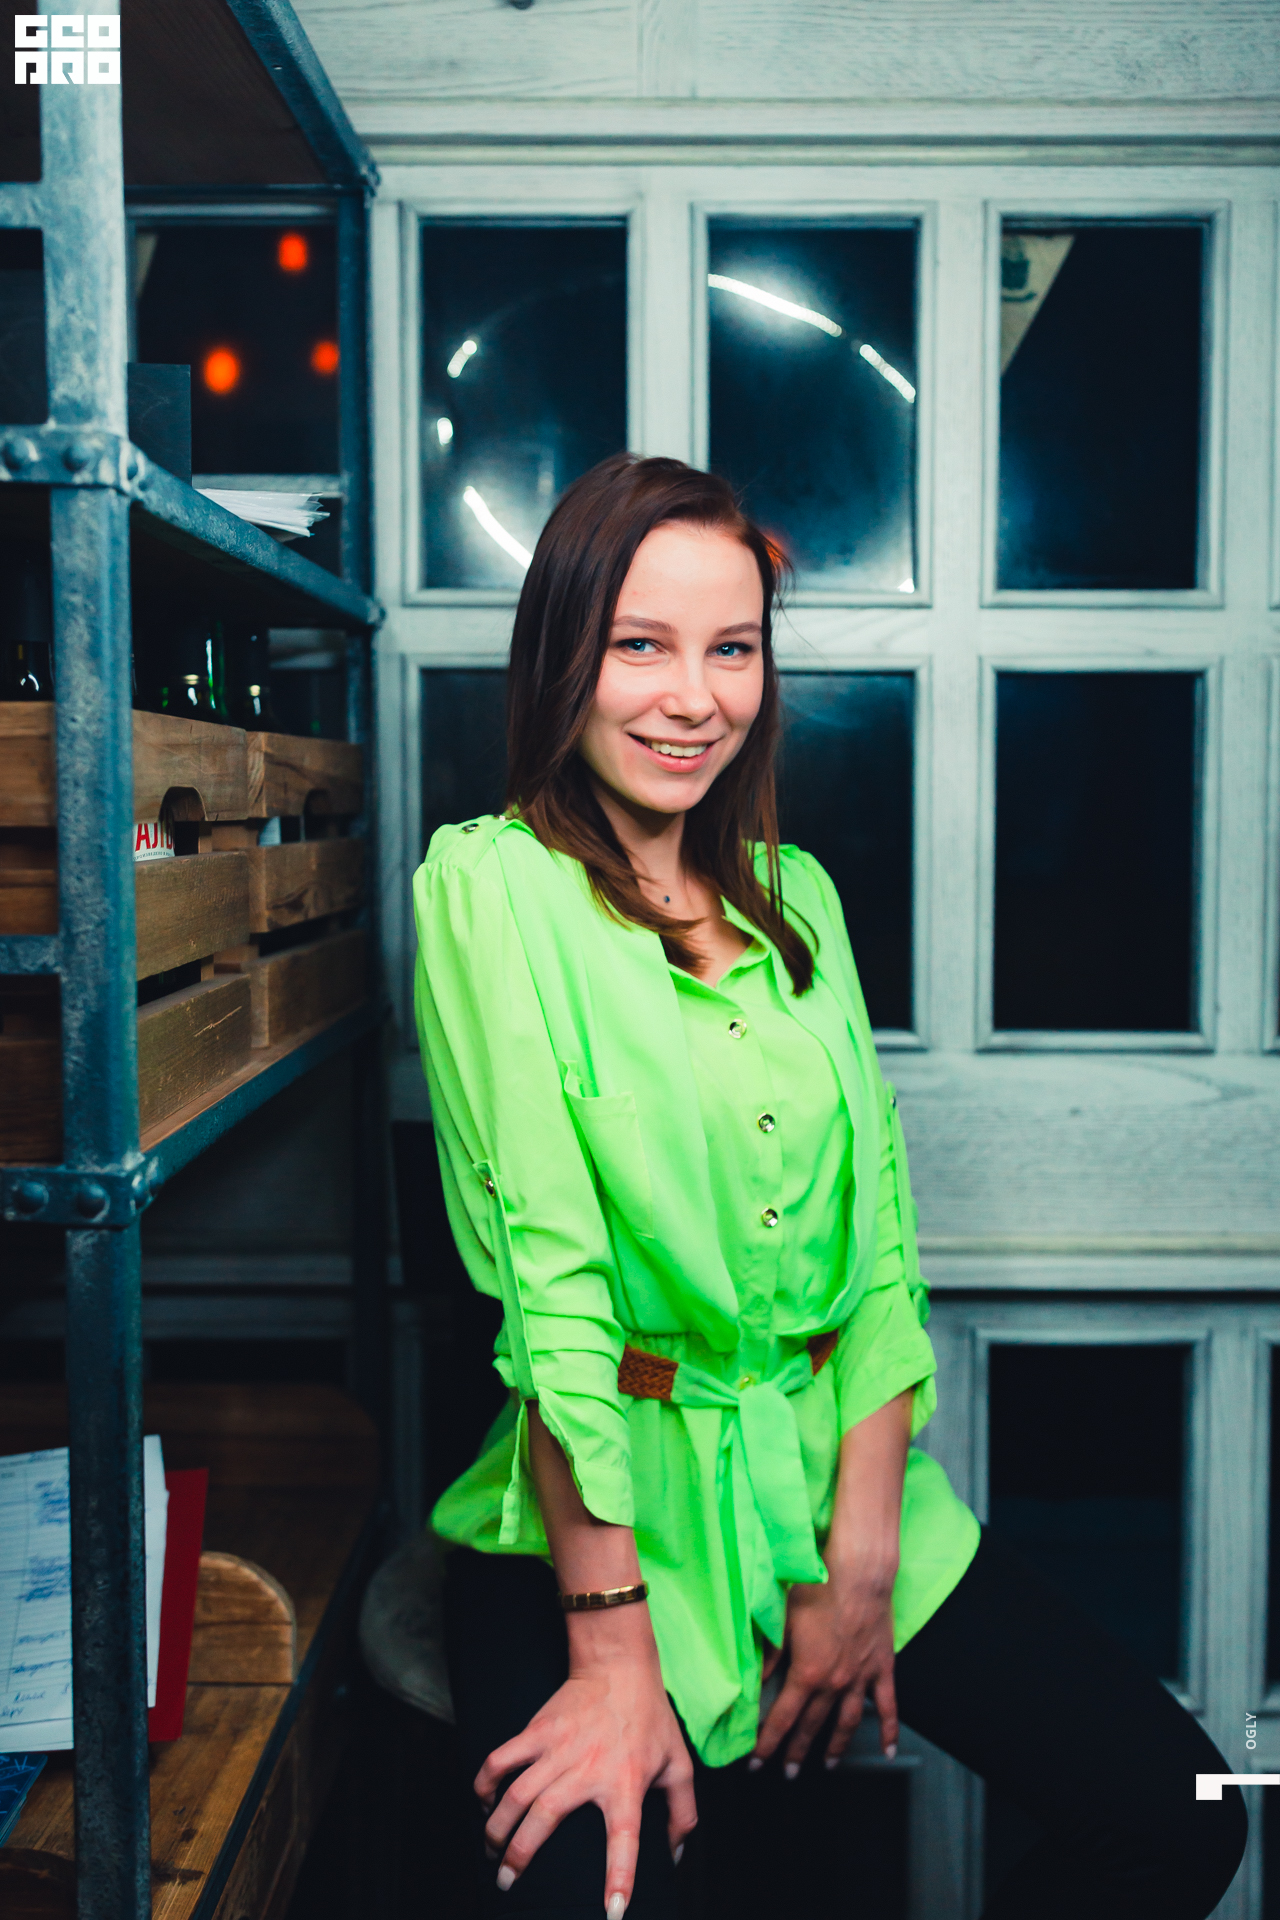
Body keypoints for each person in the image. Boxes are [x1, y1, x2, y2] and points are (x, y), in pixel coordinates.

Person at [413, 453, 1246, 1920]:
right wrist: (612, 1654)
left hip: (844, 1472)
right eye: (641, 645)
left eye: (732, 649)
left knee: (1178, 1819)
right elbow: (554, 1293)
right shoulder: (491, 887)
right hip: (610, 1521)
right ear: (563, 658)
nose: (694, 698)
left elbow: (881, 1243)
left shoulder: (798, 895)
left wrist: (861, 1555)